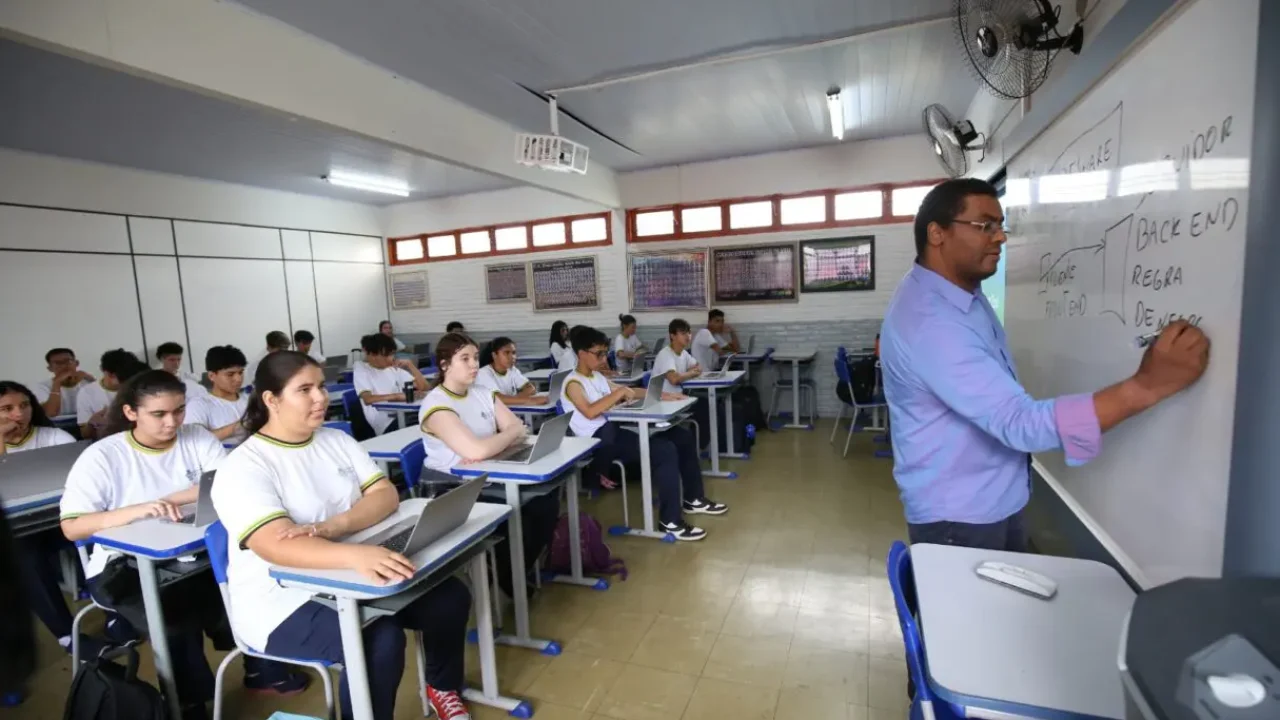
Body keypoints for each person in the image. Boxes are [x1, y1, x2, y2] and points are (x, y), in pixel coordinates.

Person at [881, 178, 1210, 552]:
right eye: (984, 225)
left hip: (992, 501)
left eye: (1001, 225)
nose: (1000, 237)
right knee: (986, 613)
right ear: (937, 233)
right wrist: (1146, 386)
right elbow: (1021, 423)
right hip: (961, 519)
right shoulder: (931, 322)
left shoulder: (963, 295)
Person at [211, 351, 473, 720]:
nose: (321, 397)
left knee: (450, 597)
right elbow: (274, 545)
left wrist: (336, 528)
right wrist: (352, 555)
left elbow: (385, 495)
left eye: (320, 386)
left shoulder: (336, 440)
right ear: (271, 400)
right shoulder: (244, 466)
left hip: (353, 567)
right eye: (304, 389)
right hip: (282, 601)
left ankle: (442, 689)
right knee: (379, 640)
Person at [60, 370, 306, 720]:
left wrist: (166, 498)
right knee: (174, 619)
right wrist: (135, 511)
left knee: (253, 584)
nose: (172, 422)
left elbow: (227, 483)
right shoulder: (103, 457)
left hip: (194, 553)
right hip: (125, 565)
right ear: (131, 413)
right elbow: (72, 526)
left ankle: (259, 670)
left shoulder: (196, 438)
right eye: (158, 414)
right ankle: (191, 703)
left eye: (179, 410)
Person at [419, 333, 561, 599]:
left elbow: (517, 428)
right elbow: (479, 448)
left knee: (546, 501)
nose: (474, 365)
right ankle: (509, 575)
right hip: (451, 487)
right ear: (444, 364)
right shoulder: (436, 404)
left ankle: (514, 570)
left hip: (488, 473)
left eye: (475, 358)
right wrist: (499, 439)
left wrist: (492, 443)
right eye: (464, 359)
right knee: (515, 513)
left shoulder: (483, 393)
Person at [561, 326, 725, 541]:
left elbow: (630, 390)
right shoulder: (572, 383)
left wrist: (664, 395)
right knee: (664, 451)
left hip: (615, 430)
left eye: (604, 352)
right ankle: (670, 521)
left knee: (682, 437)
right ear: (582, 354)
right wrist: (619, 393)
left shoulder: (596, 377)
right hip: (600, 443)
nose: (603, 359)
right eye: (598, 353)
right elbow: (591, 412)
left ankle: (694, 499)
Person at [0, 381, 90, 660]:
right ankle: (66, 634)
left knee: (98, 535)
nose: (19, 414)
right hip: (16, 532)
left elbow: (82, 480)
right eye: (7, 408)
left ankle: (116, 614)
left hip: (58, 519)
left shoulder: (54, 437)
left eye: (24, 405)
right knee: (26, 559)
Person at [651, 319, 713, 449]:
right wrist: (689, 373)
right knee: (703, 408)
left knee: (706, 405)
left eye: (689, 333)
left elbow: (698, 367)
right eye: (683, 333)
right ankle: (700, 447)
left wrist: (686, 374)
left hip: (678, 399)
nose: (688, 336)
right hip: (664, 402)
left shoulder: (683, 353)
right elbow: (673, 379)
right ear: (672, 336)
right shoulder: (666, 355)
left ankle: (701, 446)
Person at [354, 333, 430, 435]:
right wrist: (398, 396)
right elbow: (368, 399)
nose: (391, 358)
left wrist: (410, 365)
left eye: (392, 354)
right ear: (371, 354)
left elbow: (424, 387)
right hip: (386, 423)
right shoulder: (361, 369)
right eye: (386, 355)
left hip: (405, 415)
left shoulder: (393, 368)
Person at [185, 345, 249, 446]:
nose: (238, 379)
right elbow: (193, 442)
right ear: (211, 376)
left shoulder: (249, 400)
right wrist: (235, 427)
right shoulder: (199, 405)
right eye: (230, 374)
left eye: (240, 373)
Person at [77, 349, 145, 440]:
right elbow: (85, 434)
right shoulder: (87, 392)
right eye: (113, 376)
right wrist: (92, 423)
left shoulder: (138, 387)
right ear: (105, 371)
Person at [476, 338, 545, 407]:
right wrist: (529, 400)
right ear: (494, 355)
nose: (512, 357)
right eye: (506, 353)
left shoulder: (512, 370)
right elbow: (498, 399)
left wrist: (514, 399)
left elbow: (530, 388)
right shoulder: (483, 373)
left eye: (514, 353)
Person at [32, 347, 94, 419]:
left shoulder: (87, 382)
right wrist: (57, 383)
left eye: (68, 361)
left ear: (76, 363)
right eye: (58, 363)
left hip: (85, 425)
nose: (64, 366)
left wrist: (92, 380)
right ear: (50, 368)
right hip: (57, 426)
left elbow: (102, 408)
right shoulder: (42, 386)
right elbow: (51, 413)